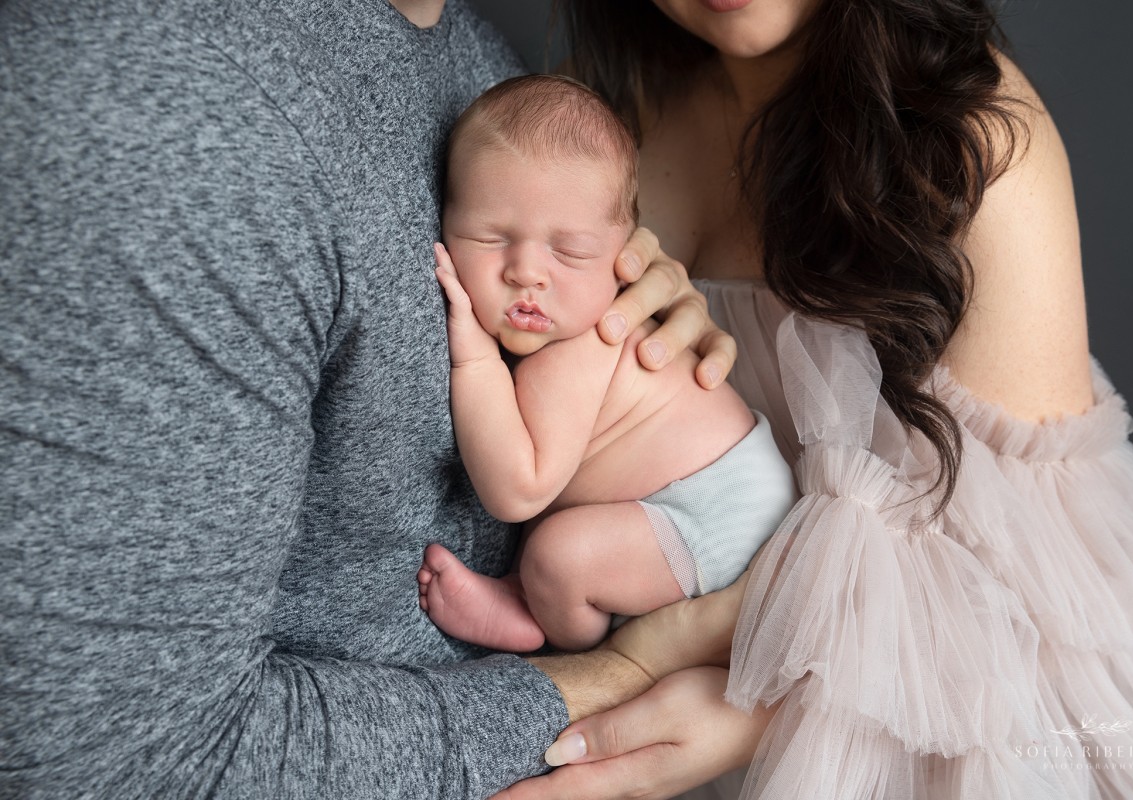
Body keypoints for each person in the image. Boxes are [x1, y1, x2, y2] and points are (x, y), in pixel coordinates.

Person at [0, 1, 750, 797]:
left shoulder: (481, 66)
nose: (528, 271)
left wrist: (630, 300)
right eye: (494, 240)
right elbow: (119, 762)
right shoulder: (166, 106)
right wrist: (618, 678)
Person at [496, 0, 1133, 798]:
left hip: (945, 725)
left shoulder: (970, 139)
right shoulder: (593, 122)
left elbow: (1029, 579)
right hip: (644, 662)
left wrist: (737, 700)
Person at [416, 75, 796, 653]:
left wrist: (474, 357)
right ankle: (529, 596)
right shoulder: (561, 321)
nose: (527, 272)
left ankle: (556, 626)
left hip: (718, 505)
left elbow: (516, 491)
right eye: (490, 238)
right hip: (715, 488)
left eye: (569, 253)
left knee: (558, 556)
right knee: (569, 540)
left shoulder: (582, 347)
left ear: (626, 258)